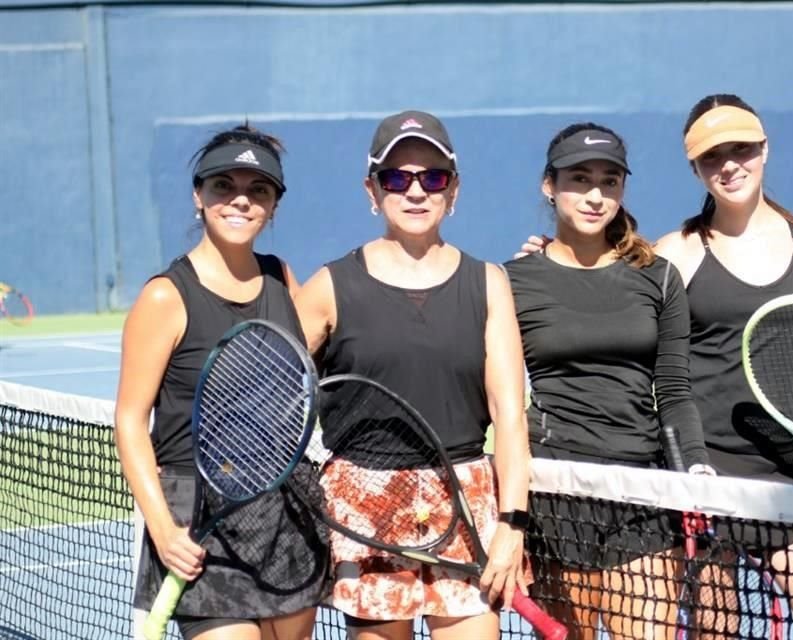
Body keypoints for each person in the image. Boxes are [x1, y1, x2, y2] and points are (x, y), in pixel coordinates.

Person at [517, 95, 793, 639]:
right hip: (703, 485)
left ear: (764, 149)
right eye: (712, 156)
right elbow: (615, 293)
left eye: (742, 149)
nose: (729, 164)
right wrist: (550, 261)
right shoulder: (675, 254)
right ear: (696, 168)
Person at [294, 110, 530, 640]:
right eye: (397, 178)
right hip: (365, 505)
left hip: (467, 502)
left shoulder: (488, 283)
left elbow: (510, 418)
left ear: (454, 189)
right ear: (372, 191)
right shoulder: (330, 286)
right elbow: (271, 394)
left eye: (434, 177)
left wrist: (512, 524)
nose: (416, 191)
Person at [115, 124, 325, 640]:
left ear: (274, 205)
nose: (240, 201)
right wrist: (164, 529)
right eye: (223, 186)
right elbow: (128, 419)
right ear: (198, 196)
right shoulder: (165, 297)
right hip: (198, 520)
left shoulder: (282, 277)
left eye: (258, 190)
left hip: (284, 509)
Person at [504, 123, 713, 640]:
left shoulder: (659, 277)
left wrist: (698, 464)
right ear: (548, 186)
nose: (596, 196)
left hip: (640, 493)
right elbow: (497, 397)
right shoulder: (511, 281)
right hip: (555, 495)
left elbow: (675, 390)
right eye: (580, 179)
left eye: (610, 181)